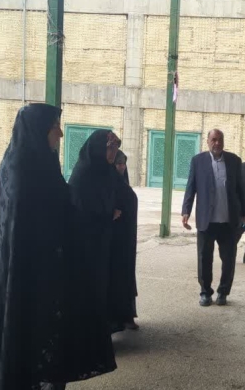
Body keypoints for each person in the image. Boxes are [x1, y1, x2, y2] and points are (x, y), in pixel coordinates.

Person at [0, 104, 72, 390]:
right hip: (25, 276)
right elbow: (21, 231)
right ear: (39, 129)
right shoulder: (21, 169)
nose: (60, 133)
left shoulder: (43, 163)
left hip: (45, 273)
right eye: (55, 126)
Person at [66, 129, 120, 379]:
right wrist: (107, 215)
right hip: (84, 246)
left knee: (99, 292)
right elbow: (79, 210)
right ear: (99, 148)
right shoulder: (83, 172)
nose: (113, 152)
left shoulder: (105, 171)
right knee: (86, 293)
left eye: (116, 148)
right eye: (110, 148)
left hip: (101, 244)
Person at [182, 129, 245, 307]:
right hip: (206, 220)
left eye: (220, 139)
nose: (217, 143)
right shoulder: (198, 161)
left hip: (228, 221)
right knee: (204, 258)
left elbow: (241, 189)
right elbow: (190, 187)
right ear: (208, 141)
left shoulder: (234, 161)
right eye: (214, 139)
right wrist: (186, 210)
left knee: (229, 259)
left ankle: (223, 292)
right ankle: (205, 292)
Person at [109, 150, 139, 332]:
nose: (121, 167)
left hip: (126, 239)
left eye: (123, 163)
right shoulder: (108, 183)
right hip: (113, 240)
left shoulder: (123, 184)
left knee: (126, 275)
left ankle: (127, 316)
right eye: (118, 163)